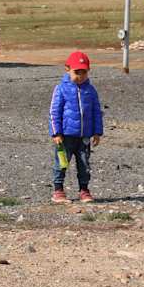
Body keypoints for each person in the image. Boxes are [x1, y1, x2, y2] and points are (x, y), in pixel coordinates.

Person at [49, 51, 103, 203]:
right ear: (67, 69)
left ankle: (84, 190)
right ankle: (58, 190)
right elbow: (54, 112)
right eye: (76, 72)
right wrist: (56, 133)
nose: (80, 76)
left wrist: (97, 132)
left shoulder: (90, 91)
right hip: (65, 136)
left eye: (83, 72)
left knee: (84, 163)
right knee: (61, 163)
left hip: (84, 136)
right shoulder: (61, 89)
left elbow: (96, 111)